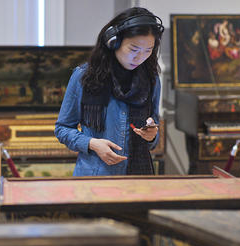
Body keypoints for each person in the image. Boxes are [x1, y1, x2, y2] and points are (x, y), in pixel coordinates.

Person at [55, 7, 164, 176]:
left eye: (148, 51)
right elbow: (62, 128)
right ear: (113, 42)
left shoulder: (152, 79)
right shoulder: (84, 77)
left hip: (140, 178)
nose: (140, 57)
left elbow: (153, 132)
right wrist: (92, 143)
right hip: (94, 177)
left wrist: (152, 135)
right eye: (134, 49)